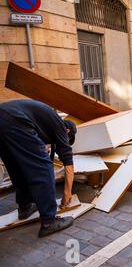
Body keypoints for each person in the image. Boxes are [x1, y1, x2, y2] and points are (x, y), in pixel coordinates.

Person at [0, 100, 77, 237]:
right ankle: (49, 221)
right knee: (44, 167)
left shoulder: (47, 123)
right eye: (66, 139)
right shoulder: (60, 127)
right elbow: (69, 166)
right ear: (68, 131)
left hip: (4, 117)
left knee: (17, 167)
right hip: (16, 120)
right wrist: (67, 193)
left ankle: (25, 206)